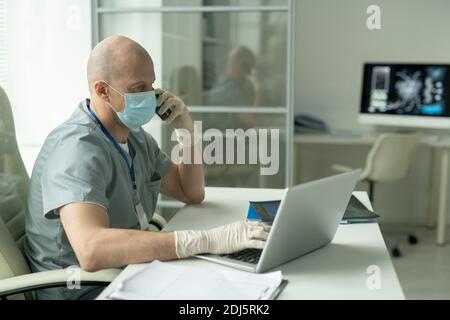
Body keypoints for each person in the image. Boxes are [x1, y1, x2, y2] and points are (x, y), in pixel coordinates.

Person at [24, 36, 270, 300]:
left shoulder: (135, 137)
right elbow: (91, 250)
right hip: (85, 290)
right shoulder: (75, 149)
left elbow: (191, 192)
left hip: (131, 272)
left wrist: (185, 130)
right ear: (102, 90)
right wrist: (202, 241)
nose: (150, 97)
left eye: (151, 85)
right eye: (138, 87)